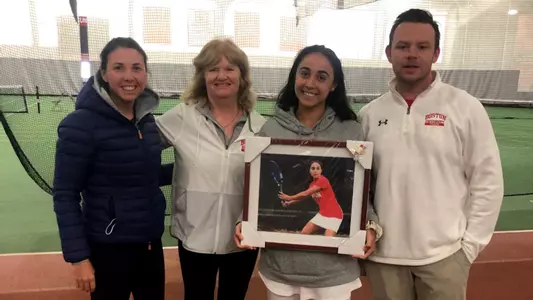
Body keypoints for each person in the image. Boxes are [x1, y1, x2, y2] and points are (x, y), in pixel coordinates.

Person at [358, 8, 504, 300]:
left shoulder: (465, 107)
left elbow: (488, 181)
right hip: (384, 259)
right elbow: (360, 187)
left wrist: (468, 248)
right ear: (389, 53)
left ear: (436, 53)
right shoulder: (369, 115)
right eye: (403, 46)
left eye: (422, 47)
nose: (411, 54)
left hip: (445, 258)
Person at [235, 45, 383, 300]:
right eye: (304, 73)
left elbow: (360, 192)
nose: (310, 83)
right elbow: (257, 188)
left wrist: (370, 226)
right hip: (281, 270)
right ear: (294, 76)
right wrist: (243, 222)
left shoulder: (351, 131)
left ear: (334, 85)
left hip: (335, 275)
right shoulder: (270, 129)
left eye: (321, 77)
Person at [52, 37, 172, 300]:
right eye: (119, 67)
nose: (129, 76)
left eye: (137, 68)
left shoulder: (147, 123)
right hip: (107, 250)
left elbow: (144, 176)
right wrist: (79, 258)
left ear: (145, 74)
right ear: (104, 74)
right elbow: (64, 194)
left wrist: (190, 168)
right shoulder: (80, 125)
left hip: (150, 244)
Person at [156, 38, 266, 300]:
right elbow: (139, 148)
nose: (221, 76)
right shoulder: (182, 116)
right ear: (202, 76)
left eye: (230, 69)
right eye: (213, 69)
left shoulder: (260, 127)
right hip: (193, 236)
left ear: (242, 76)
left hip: (242, 240)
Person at [279, 161, 344, 237]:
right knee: (304, 234)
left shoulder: (323, 180)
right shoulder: (312, 184)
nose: (315, 170)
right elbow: (305, 197)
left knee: (328, 242)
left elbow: (305, 193)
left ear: (321, 170)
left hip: (335, 215)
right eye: (313, 168)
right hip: (322, 214)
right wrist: (290, 202)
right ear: (310, 171)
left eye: (317, 168)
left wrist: (289, 197)